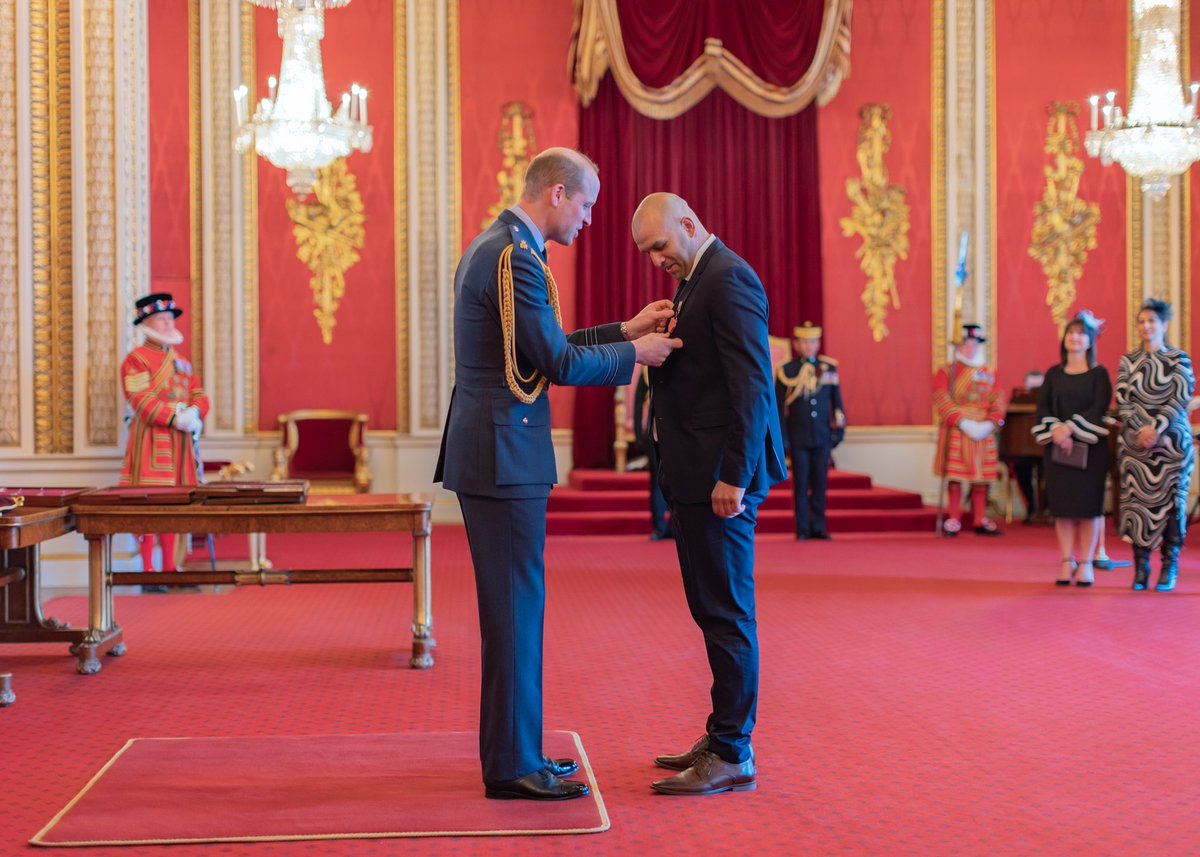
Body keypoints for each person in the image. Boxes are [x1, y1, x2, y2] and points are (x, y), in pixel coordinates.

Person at [434, 148, 680, 801]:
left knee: (514, 607)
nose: (591, 218)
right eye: (589, 203)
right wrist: (638, 353)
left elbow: (544, 344)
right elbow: (557, 362)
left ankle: (516, 750)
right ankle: (515, 765)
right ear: (557, 193)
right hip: (502, 452)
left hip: (495, 449)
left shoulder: (500, 244)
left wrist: (623, 330)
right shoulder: (514, 255)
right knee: (516, 608)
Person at [631, 192, 786, 796]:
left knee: (726, 614)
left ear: (690, 225)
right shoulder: (699, 278)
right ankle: (721, 733)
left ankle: (732, 751)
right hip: (695, 477)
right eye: (646, 252)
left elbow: (753, 388)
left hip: (722, 482)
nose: (656, 260)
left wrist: (734, 477)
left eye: (661, 245)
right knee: (710, 610)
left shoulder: (728, 278)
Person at [119, 293, 210, 590]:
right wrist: (174, 417)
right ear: (147, 322)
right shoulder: (136, 360)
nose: (169, 323)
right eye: (162, 318)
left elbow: (198, 392)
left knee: (173, 505)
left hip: (180, 444)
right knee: (147, 506)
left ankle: (170, 568)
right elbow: (141, 399)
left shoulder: (181, 361)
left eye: (171, 318)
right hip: (151, 442)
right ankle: (148, 571)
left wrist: (197, 413)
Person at [1116, 298, 1194, 592]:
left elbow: (1180, 397)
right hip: (1137, 447)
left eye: (1152, 321)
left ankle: (1169, 564)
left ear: (1164, 325)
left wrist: (1158, 427)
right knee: (1138, 506)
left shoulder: (1178, 359)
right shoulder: (1128, 361)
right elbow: (1123, 401)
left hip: (1172, 445)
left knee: (1173, 505)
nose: (1146, 326)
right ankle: (1140, 566)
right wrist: (1142, 430)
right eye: (1141, 321)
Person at [1032, 312, 1112, 587]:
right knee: (1063, 509)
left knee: (1088, 508)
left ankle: (1087, 562)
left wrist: (1071, 428)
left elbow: (1099, 407)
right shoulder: (1053, 373)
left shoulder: (1099, 373)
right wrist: (1056, 429)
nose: (1074, 338)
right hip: (1059, 451)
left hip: (1090, 451)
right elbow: (1042, 407)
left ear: (1089, 341)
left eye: (1080, 333)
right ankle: (1067, 560)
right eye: (1070, 333)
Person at [934, 323, 1006, 536]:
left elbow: (999, 399)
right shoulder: (947, 371)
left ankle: (979, 518)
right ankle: (954, 519)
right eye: (966, 343)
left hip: (983, 429)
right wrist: (960, 421)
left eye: (975, 343)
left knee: (981, 477)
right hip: (958, 428)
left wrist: (990, 422)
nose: (971, 347)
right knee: (954, 476)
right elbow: (940, 397)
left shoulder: (989, 372)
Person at [775, 322, 846, 540]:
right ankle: (802, 528)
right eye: (805, 342)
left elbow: (837, 404)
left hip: (822, 436)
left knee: (820, 484)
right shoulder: (787, 370)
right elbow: (778, 409)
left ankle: (818, 527)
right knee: (801, 484)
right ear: (797, 344)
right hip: (798, 436)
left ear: (818, 344)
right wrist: (783, 439)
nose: (809, 346)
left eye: (813, 342)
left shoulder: (828, 368)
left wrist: (839, 432)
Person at [633, 367, 671, 540]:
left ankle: (662, 527)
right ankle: (665, 527)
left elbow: (638, 402)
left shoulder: (647, 366)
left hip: (660, 429)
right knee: (661, 481)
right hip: (667, 430)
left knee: (659, 482)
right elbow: (638, 401)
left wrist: (637, 433)